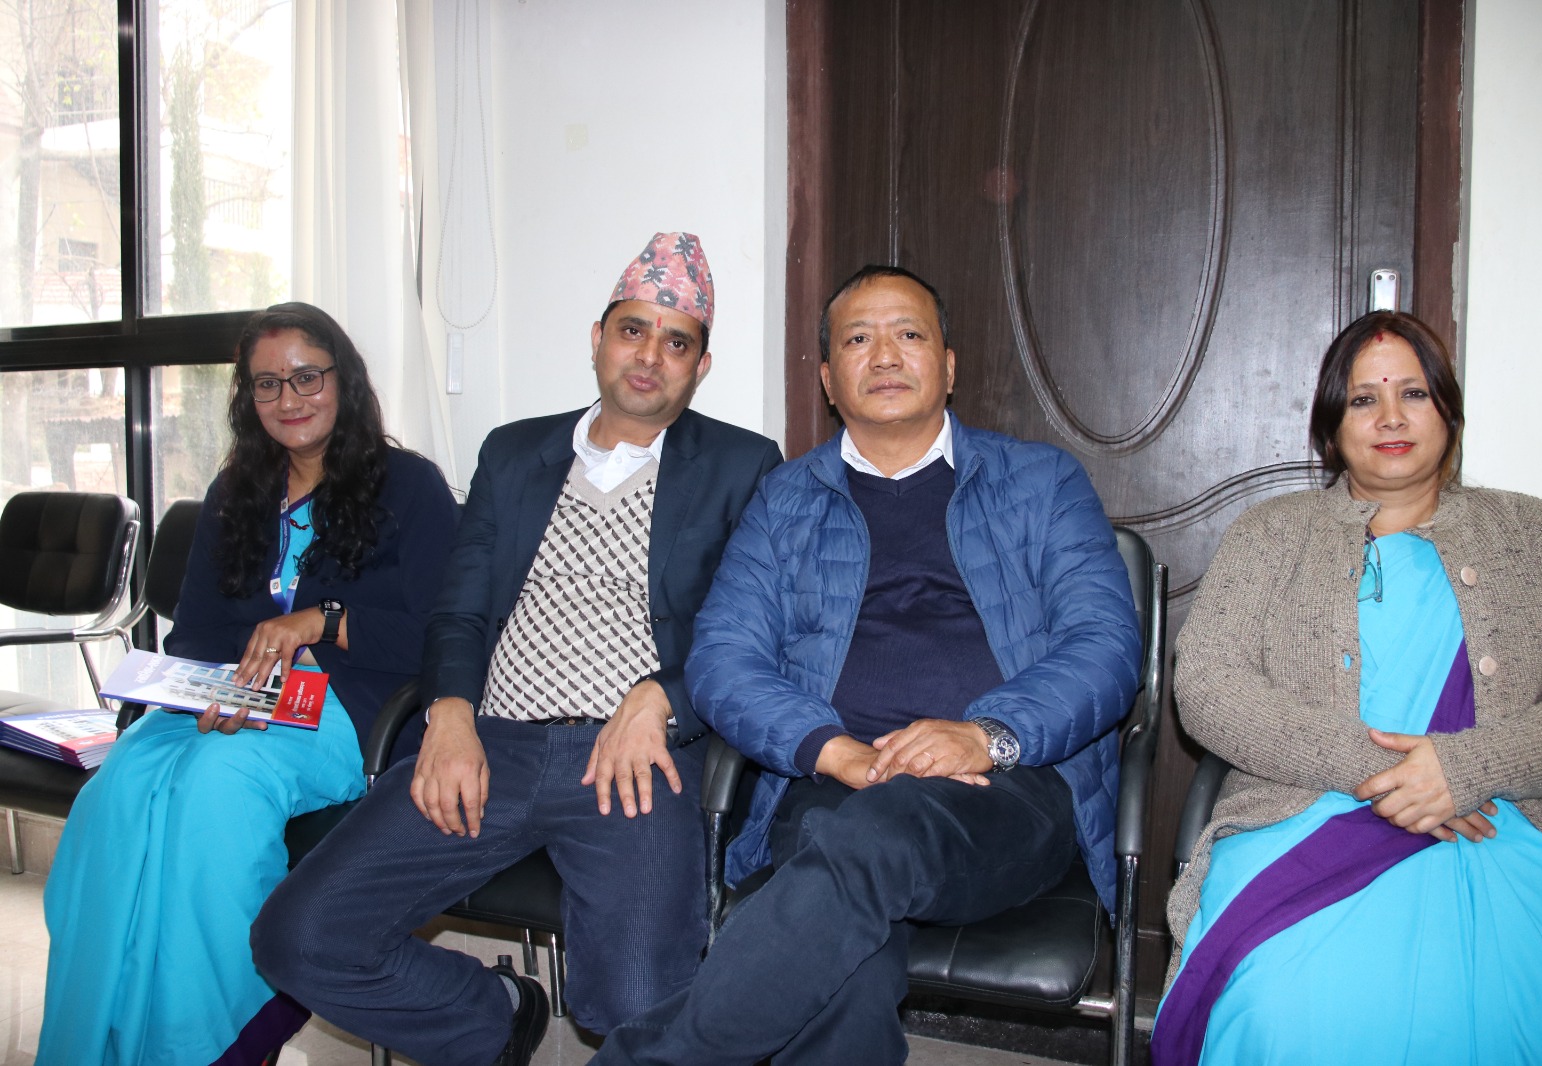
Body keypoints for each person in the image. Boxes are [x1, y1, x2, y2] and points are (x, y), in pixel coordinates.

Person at [252, 232, 784, 1065]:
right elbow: (458, 611)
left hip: (631, 754)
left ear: (701, 367)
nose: (650, 356)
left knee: (636, 1005)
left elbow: (752, 632)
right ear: (598, 339)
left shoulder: (742, 465)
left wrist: (665, 699)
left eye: (677, 342)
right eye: (632, 330)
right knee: (300, 936)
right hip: (489, 739)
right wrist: (449, 716)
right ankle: (492, 1013)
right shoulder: (513, 452)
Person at [596, 264, 1142, 1066]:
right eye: (858, 339)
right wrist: (833, 750)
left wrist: (984, 735)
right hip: (830, 782)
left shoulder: (1040, 481)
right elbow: (723, 659)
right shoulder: (784, 500)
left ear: (948, 366)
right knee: (844, 956)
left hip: (1004, 786)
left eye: (908, 334)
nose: (884, 354)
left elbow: (1106, 647)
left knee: (856, 846)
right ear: (828, 378)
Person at [1152, 311, 1542, 1065]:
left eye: (1414, 393)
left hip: (1506, 819)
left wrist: (1464, 769)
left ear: (1448, 410)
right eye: (1364, 399)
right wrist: (1386, 769)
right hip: (1304, 811)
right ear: (1332, 427)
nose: (1391, 417)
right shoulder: (1270, 534)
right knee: (1285, 1006)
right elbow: (1207, 685)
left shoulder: (1538, 533)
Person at [37, 302, 460, 1065]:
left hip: (349, 710)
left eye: (306, 377)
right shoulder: (237, 491)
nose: (288, 398)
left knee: (215, 789)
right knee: (115, 794)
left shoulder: (410, 487)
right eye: (267, 384)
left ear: (344, 380)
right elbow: (195, 631)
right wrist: (213, 689)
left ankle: (217, 1039)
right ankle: (100, 1035)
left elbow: (448, 633)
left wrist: (325, 622)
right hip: (231, 697)